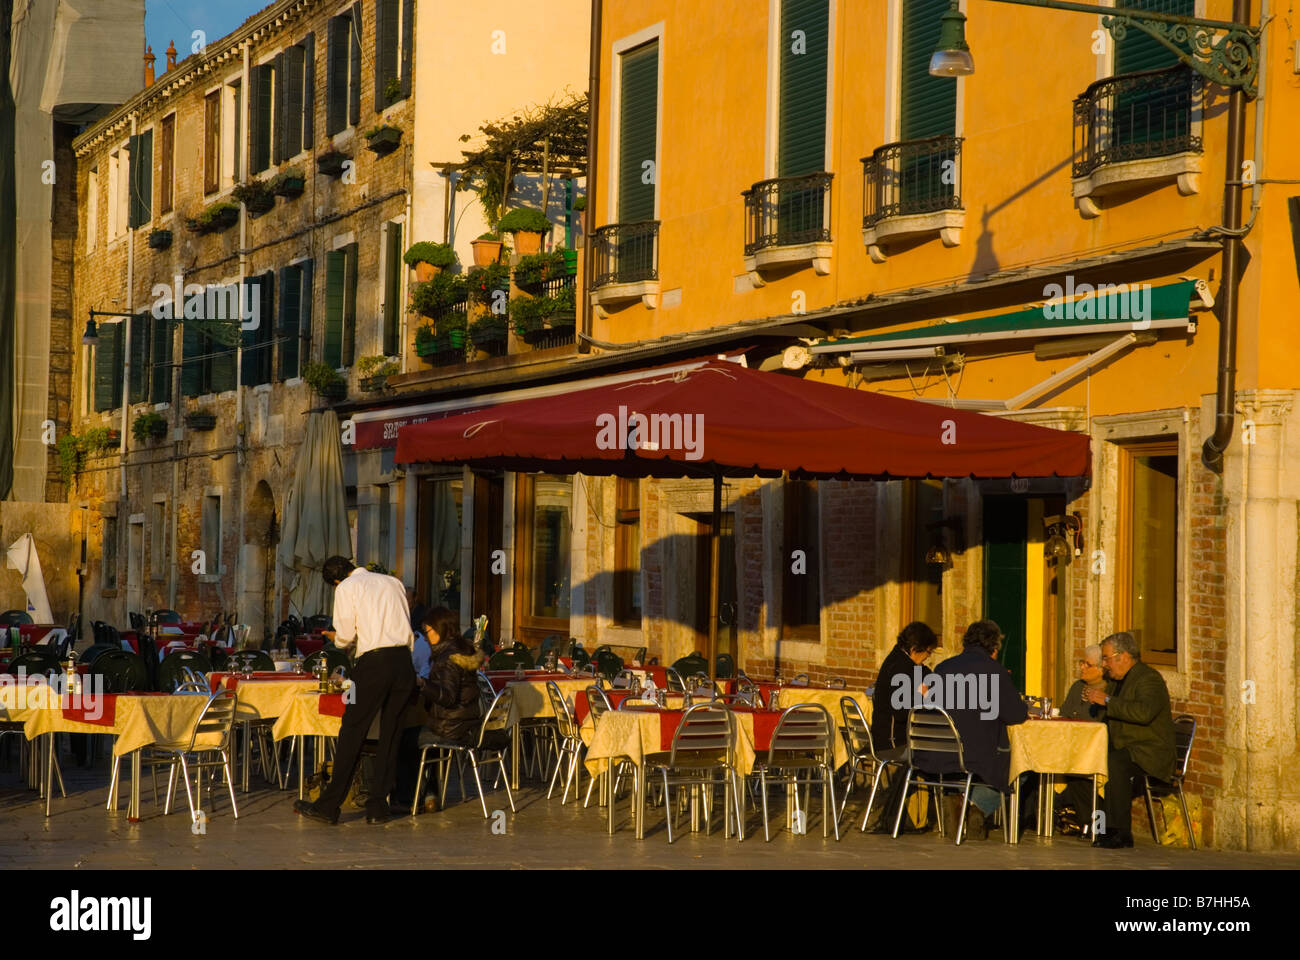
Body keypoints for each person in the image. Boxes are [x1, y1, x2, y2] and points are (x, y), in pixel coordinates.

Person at [294, 556, 415, 826]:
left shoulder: (347, 588)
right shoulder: (392, 582)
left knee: (352, 729)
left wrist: (334, 638)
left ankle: (329, 805)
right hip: (403, 663)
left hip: (373, 664)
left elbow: (346, 637)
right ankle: (377, 807)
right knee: (392, 733)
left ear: (336, 580)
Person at [927, 619, 1029, 840]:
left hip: (938, 753)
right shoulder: (994, 671)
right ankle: (976, 804)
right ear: (993, 647)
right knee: (1024, 766)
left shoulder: (942, 668)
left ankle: (959, 797)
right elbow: (1016, 715)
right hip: (977, 755)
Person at [1086, 631, 1176, 849]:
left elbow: (1144, 712)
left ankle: (1120, 832)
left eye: (1106, 658)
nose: (1104, 664)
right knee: (1088, 760)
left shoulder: (1148, 678)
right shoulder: (1117, 681)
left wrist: (1107, 700)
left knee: (1115, 764)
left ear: (1124, 656)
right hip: (1128, 747)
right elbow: (1110, 715)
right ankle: (1091, 824)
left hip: (1149, 750)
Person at [866, 621, 939, 832]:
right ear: (915, 649)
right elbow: (901, 711)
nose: (927, 657)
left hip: (884, 739)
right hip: (893, 743)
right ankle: (922, 816)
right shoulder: (902, 669)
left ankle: (915, 816)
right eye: (927, 652)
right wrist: (922, 696)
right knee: (940, 754)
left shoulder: (897, 660)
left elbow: (925, 674)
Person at [1060, 644, 1107, 720]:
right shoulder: (1077, 686)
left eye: (1088, 665)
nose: (1082, 667)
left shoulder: (1108, 690)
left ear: (1101, 669)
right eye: (1082, 662)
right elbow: (1063, 713)